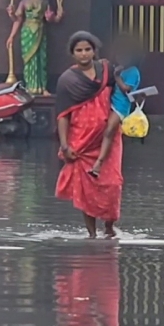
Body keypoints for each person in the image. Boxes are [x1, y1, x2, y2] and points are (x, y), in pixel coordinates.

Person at [55, 31, 128, 238]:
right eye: (79, 50)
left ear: (94, 51)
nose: (84, 54)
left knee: (113, 184)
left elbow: (122, 94)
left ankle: (109, 227)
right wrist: (64, 145)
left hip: (109, 137)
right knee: (86, 188)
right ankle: (92, 234)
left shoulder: (107, 71)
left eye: (88, 49)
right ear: (72, 54)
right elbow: (62, 115)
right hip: (81, 140)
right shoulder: (67, 81)